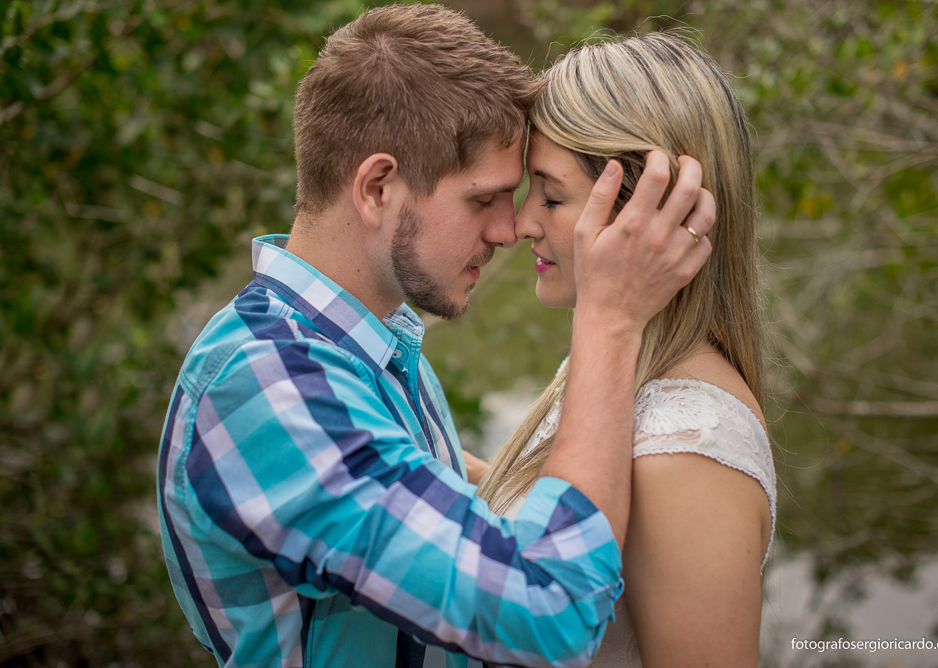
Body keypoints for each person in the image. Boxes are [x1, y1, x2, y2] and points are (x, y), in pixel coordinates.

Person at [156, 6, 717, 668]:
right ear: (377, 188)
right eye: (483, 200)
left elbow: (428, 494)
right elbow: (546, 616)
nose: (509, 231)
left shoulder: (366, 343)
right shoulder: (265, 386)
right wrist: (610, 320)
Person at [475, 32, 776, 668]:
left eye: (551, 196)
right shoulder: (626, 366)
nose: (522, 223)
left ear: (653, 208)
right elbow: (542, 501)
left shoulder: (687, 453)